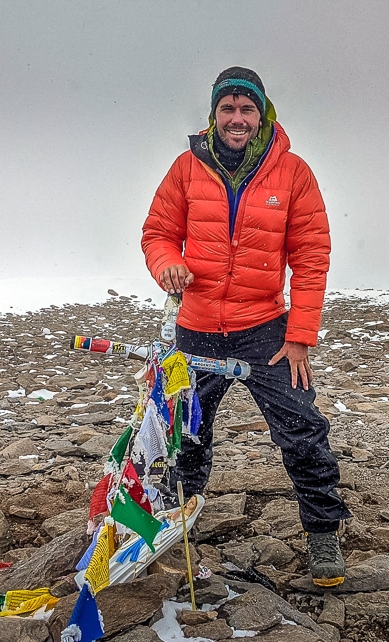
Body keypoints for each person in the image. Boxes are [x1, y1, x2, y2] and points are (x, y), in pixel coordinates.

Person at [141, 66, 351, 587]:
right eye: (227, 108)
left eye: (247, 109)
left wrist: (300, 336)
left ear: (262, 115)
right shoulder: (186, 168)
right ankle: (175, 525)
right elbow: (158, 231)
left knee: (301, 428)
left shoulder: (293, 173)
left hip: (265, 330)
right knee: (181, 434)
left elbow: (311, 255)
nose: (237, 118)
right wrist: (166, 262)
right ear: (214, 114)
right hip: (193, 328)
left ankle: (324, 529)